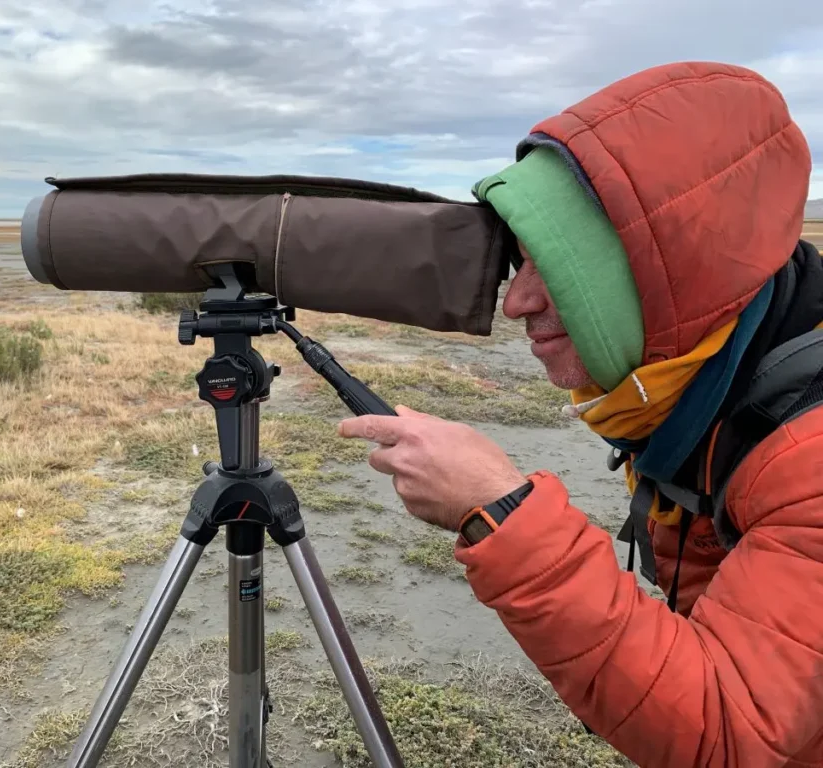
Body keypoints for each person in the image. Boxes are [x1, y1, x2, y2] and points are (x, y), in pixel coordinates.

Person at [338, 60, 823, 767]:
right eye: (518, 264)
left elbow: (730, 731)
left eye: (558, 271)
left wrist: (500, 511)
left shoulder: (806, 453)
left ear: (666, 283)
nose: (518, 303)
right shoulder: (715, 372)